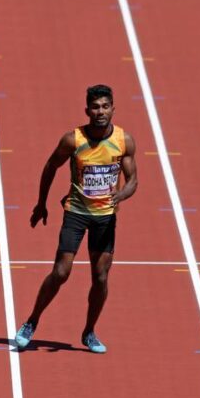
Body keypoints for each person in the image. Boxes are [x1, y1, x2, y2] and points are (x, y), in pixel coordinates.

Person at [14, 84, 138, 353]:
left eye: (105, 106)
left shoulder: (124, 140)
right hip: (77, 213)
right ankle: (31, 321)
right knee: (61, 272)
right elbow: (51, 166)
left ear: (113, 109)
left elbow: (133, 181)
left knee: (101, 277)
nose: (100, 112)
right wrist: (41, 203)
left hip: (105, 218)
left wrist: (121, 195)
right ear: (87, 110)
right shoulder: (73, 140)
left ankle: (89, 332)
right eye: (95, 107)